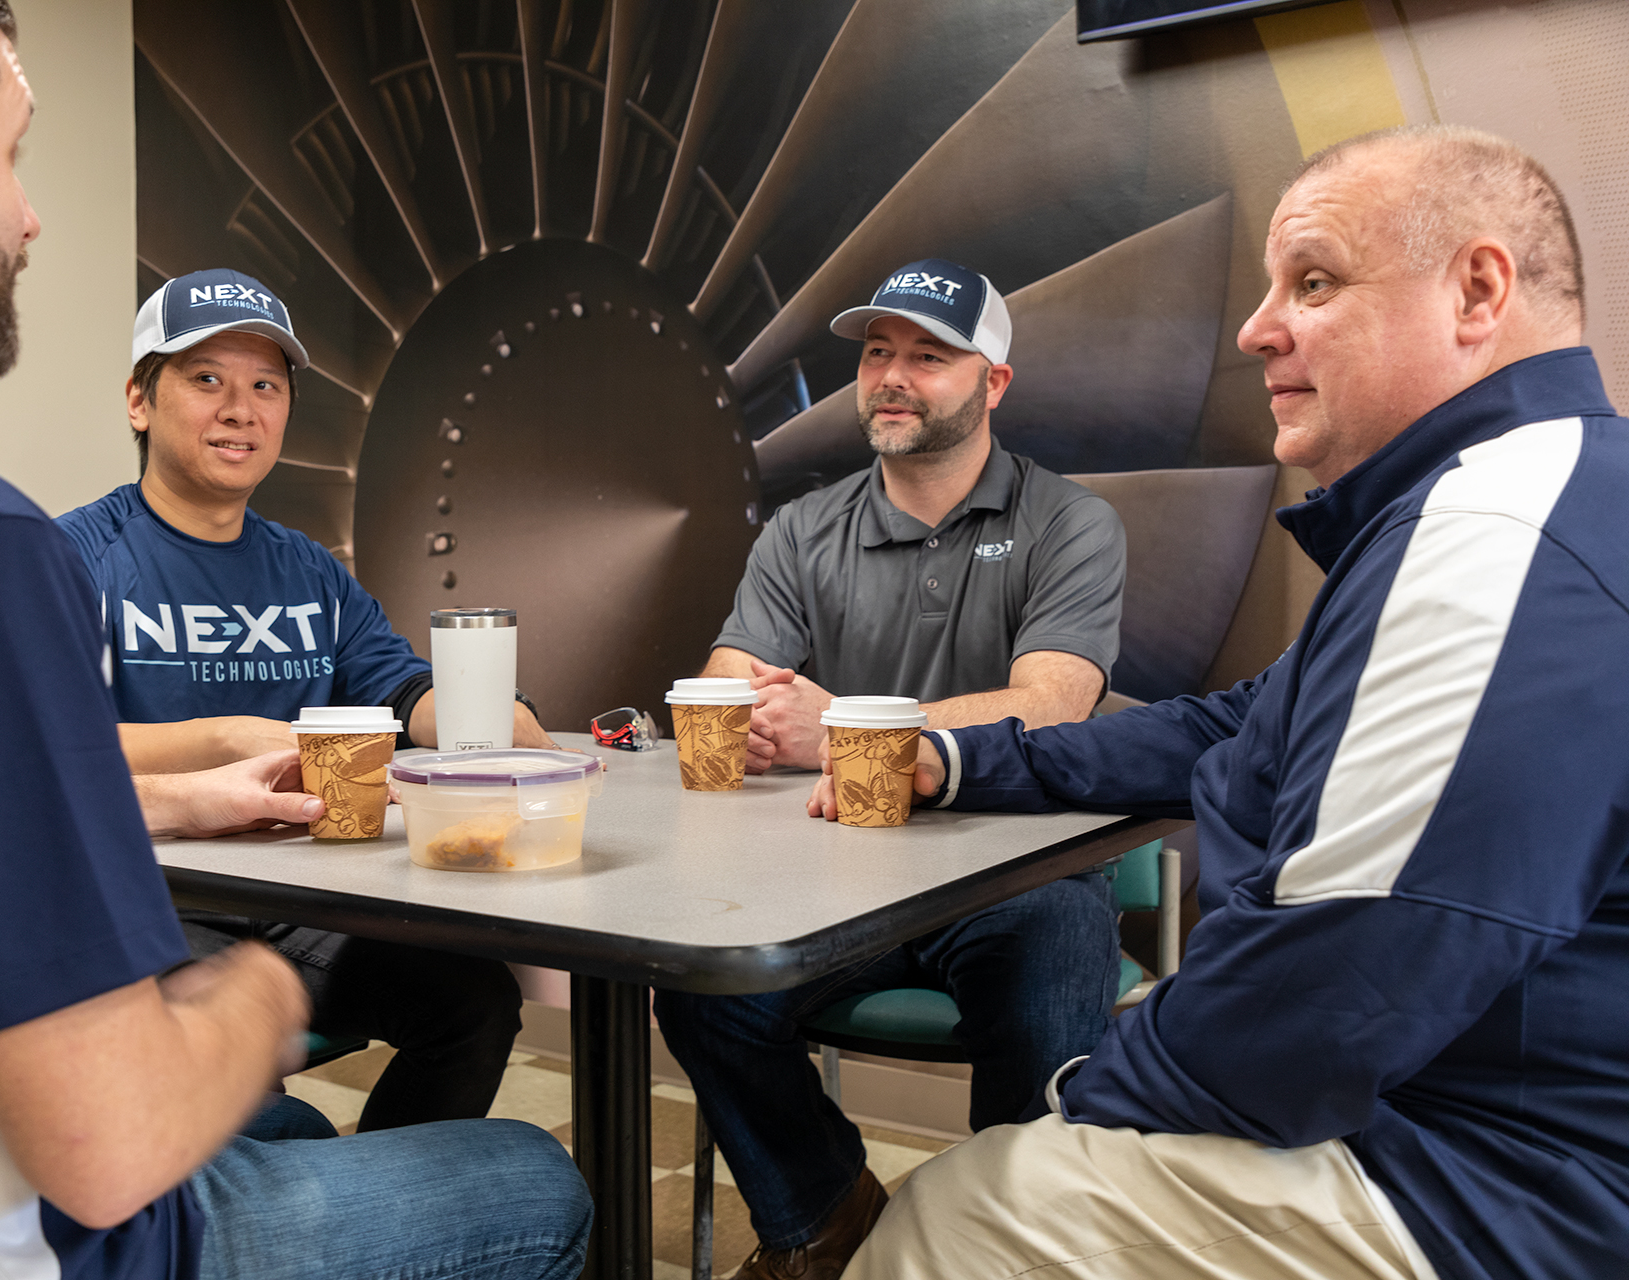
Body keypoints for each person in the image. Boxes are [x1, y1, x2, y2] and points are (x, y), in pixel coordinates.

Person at [0, 4, 590, 1279]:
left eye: (265, 380)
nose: (29, 217)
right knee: (538, 1178)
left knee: (324, 1092)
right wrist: (257, 997)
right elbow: (110, 1146)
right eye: (12, 155)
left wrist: (179, 799)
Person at [845, 125, 1625, 1280]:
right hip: (1488, 1107)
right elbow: (1235, 723)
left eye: (1313, 282)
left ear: (1476, 291)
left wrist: (1087, 1094)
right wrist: (962, 762)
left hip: (1500, 1178)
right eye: (879, 353)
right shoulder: (1513, 503)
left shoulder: (1493, 532)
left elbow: (1337, 981)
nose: (1257, 327)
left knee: (958, 1213)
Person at [654, 259, 1127, 1279]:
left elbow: (1051, 705)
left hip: (1013, 878)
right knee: (701, 992)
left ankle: (1010, 1249)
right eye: (877, 353)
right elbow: (725, 682)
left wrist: (840, 727)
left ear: (994, 382)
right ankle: (825, 1218)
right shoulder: (802, 528)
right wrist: (742, 714)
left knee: (1060, 963)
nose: (892, 376)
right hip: (835, 872)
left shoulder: (1070, 524)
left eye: (928, 355)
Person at [56, 269, 541, 1132]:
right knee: (265, 1118)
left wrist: (486, 716)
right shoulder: (75, 555)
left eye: (265, 385)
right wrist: (227, 739)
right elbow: (44, 749)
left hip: (306, 910)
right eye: (207, 379)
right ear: (139, 401)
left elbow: (401, 689)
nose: (241, 408)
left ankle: (394, 1223)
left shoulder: (308, 568)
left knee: (473, 1005)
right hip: (155, 914)